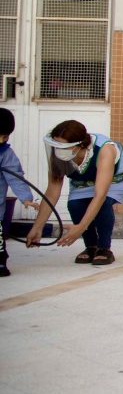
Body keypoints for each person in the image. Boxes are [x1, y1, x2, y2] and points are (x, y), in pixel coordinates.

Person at [26, 120, 123, 265]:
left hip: (119, 177)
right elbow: (52, 192)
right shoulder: (59, 155)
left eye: (63, 147)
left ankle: (104, 248)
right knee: (75, 205)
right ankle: (91, 246)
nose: (58, 150)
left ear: (80, 145)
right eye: (55, 145)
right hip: (86, 180)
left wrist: (81, 226)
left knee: (104, 203)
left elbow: (100, 195)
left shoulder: (104, 150)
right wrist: (37, 227)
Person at [0, 108, 40, 277]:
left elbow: (15, 176)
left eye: (6, 136)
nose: (3, 140)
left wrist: (26, 198)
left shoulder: (5, 153)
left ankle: (0, 262)